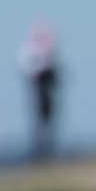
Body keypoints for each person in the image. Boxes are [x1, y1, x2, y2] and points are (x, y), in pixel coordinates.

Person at [17, 22, 60, 162]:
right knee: (39, 123)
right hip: (38, 92)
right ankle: (40, 153)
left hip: (47, 93)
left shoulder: (48, 53)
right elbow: (27, 70)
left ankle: (47, 151)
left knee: (48, 123)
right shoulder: (30, 51)